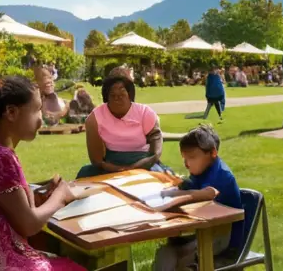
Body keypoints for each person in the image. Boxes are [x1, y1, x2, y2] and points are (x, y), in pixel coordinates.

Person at [0, 75, 84, 271]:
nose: (41, 119)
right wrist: (60, 196)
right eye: (37, 110)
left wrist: (38, 197)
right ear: (11, 112)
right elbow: (29, 225)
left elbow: (8, 206)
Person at [153, 125, 242, 271]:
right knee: (165, 253)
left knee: (173, 259)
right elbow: (191, 186)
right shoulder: (202, 170)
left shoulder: (221, 175)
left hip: (222, 239)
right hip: (202, 231)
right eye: (184, 158)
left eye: (192, 157)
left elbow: (204, 194)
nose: (186, 163)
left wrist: (172, 195)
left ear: (212, 153)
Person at [76, 75, 168, 178]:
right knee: (84, 176)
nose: (117, 98)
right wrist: (119, 170)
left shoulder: (145, 113)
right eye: (113, 95)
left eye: (122, 94)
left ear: (129, 95)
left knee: (160, 179)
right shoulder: (94, 118)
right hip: (111, 165)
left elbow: (155, 153)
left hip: (144, 163)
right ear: (107, 98)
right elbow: (97, 160)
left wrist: (133, 168)